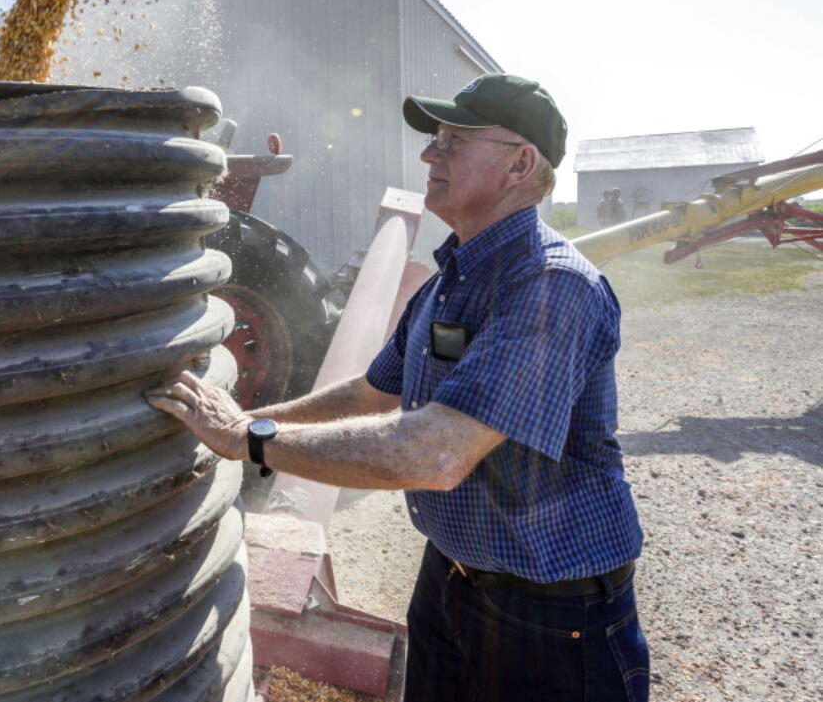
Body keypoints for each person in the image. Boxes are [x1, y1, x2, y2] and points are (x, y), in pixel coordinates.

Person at [146, 73, 648, 702]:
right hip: (449, 580)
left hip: (551, 614)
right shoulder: (452, 277)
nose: (429, 154)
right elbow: (370, 392)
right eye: (435, 139)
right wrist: (246, 418)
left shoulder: (550, 286)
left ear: (521, 163)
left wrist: (251, 438)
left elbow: (433, 454)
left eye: (454, 142)